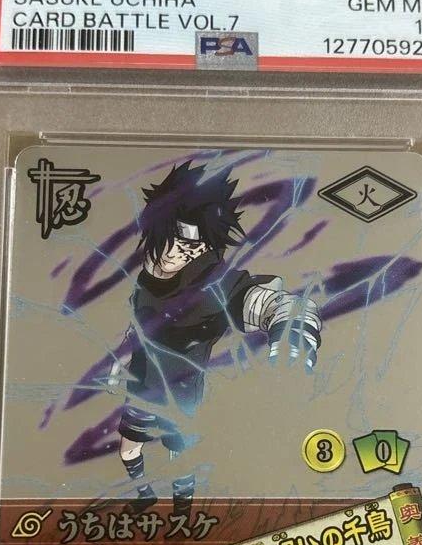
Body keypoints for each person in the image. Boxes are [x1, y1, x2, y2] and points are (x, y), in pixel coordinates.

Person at [109, 160, 321, 512]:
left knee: (180, 458)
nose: (176, 252)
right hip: (142, 388)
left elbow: (267, 302)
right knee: (129, 448)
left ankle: (182, 511)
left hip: (182, 396)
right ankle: (144, 495)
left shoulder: (214, 284)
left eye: (190, 246)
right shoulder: (146, 278)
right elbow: (140, 329)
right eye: (171, 239)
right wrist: (123, 358)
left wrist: (292, 333)